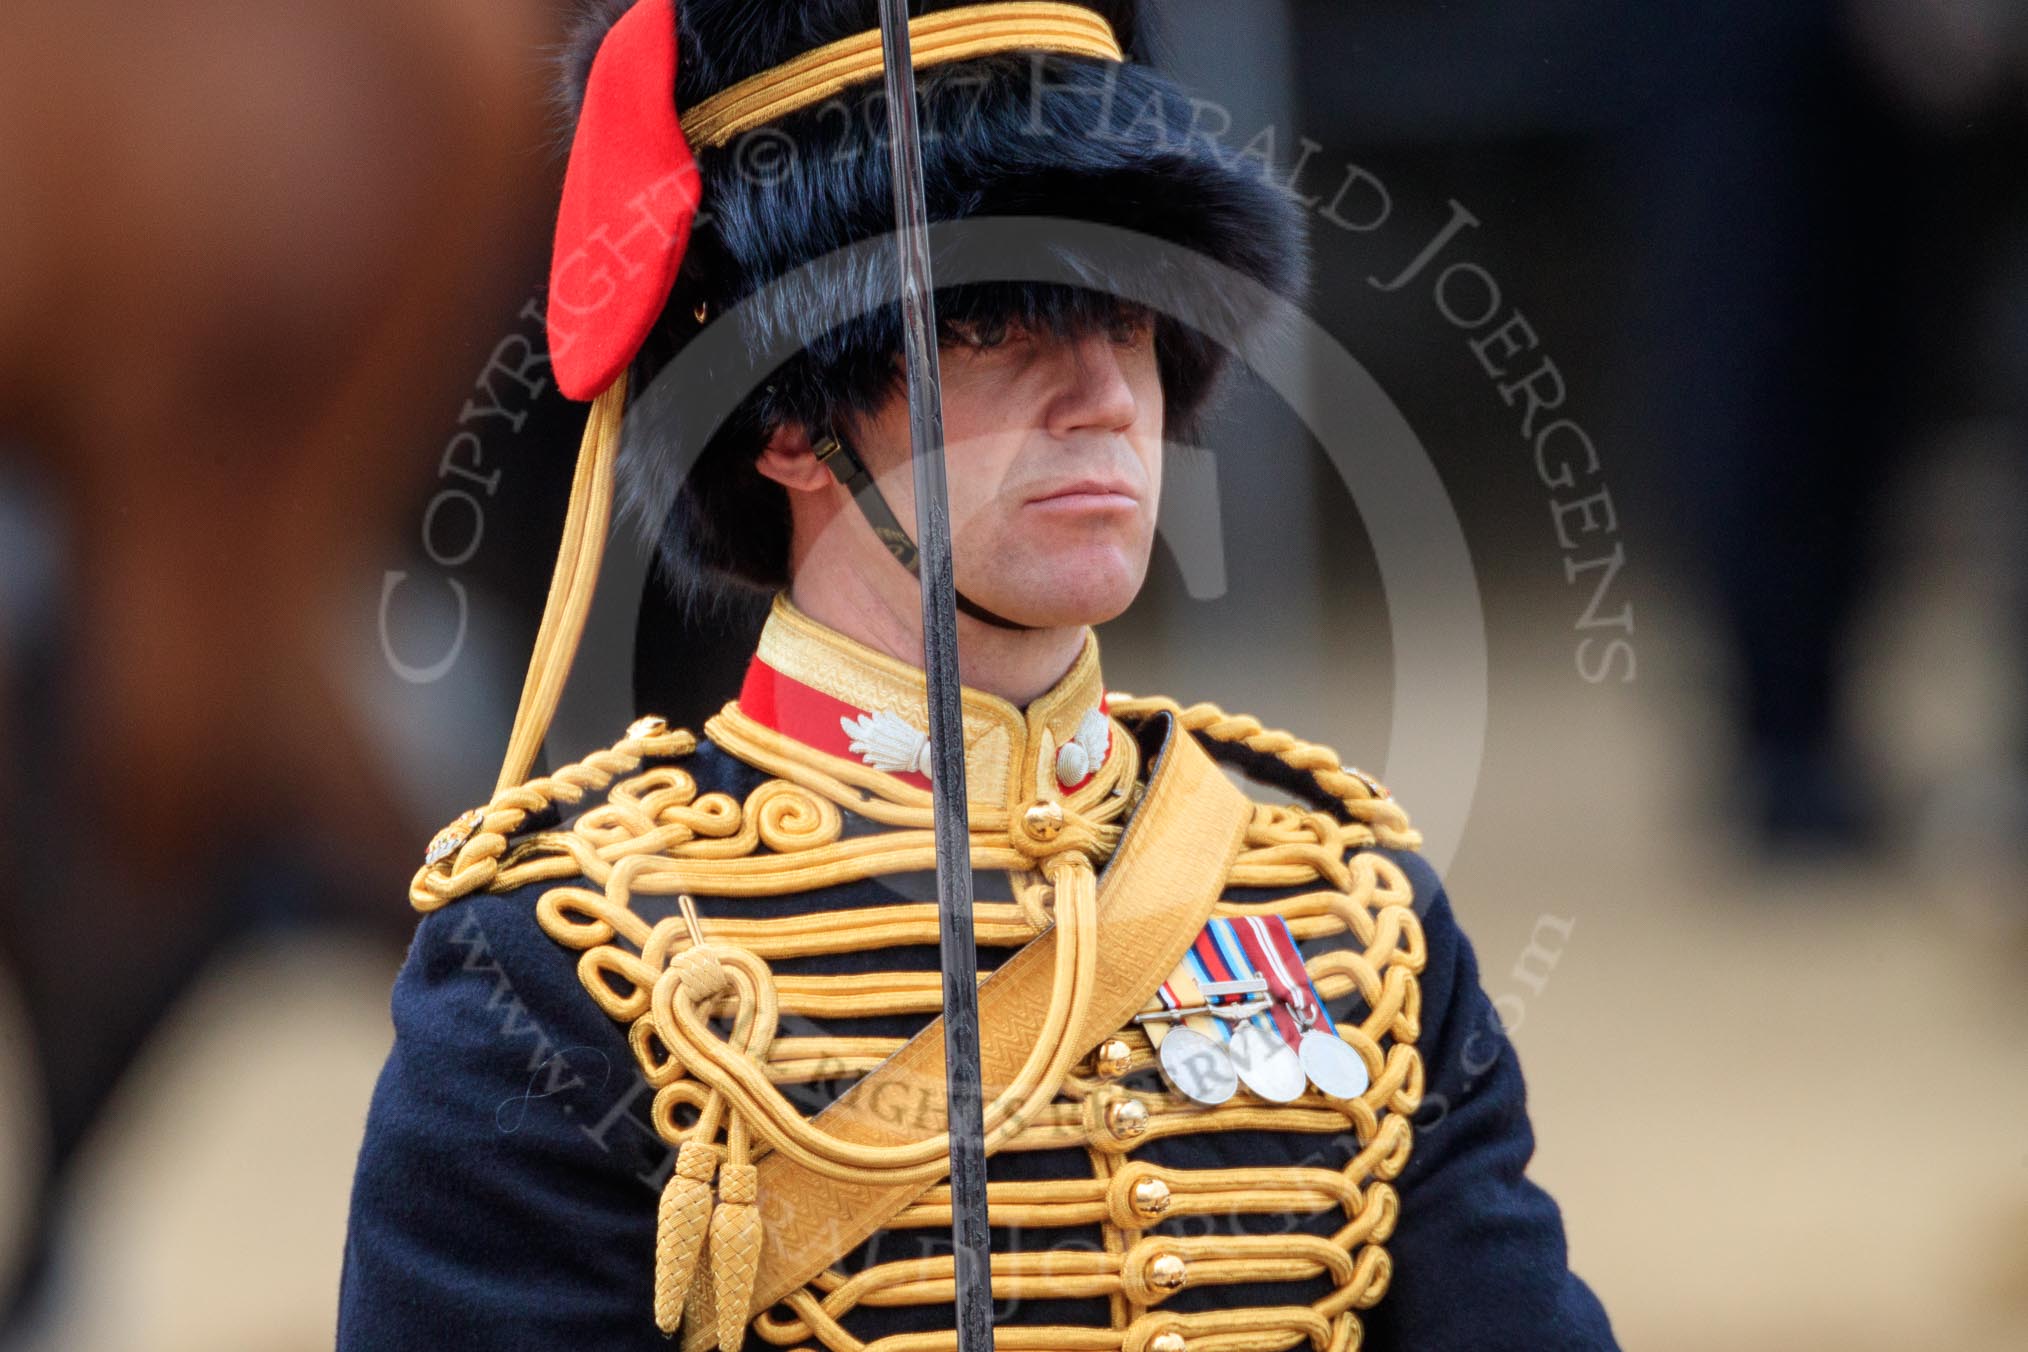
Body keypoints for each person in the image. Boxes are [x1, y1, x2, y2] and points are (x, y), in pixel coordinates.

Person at [339, 2, 1619, 1348]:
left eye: (1127, 318)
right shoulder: (555, 968)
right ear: (788, 413)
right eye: (1002, 325)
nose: (1105, 397)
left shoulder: (1358, 911)